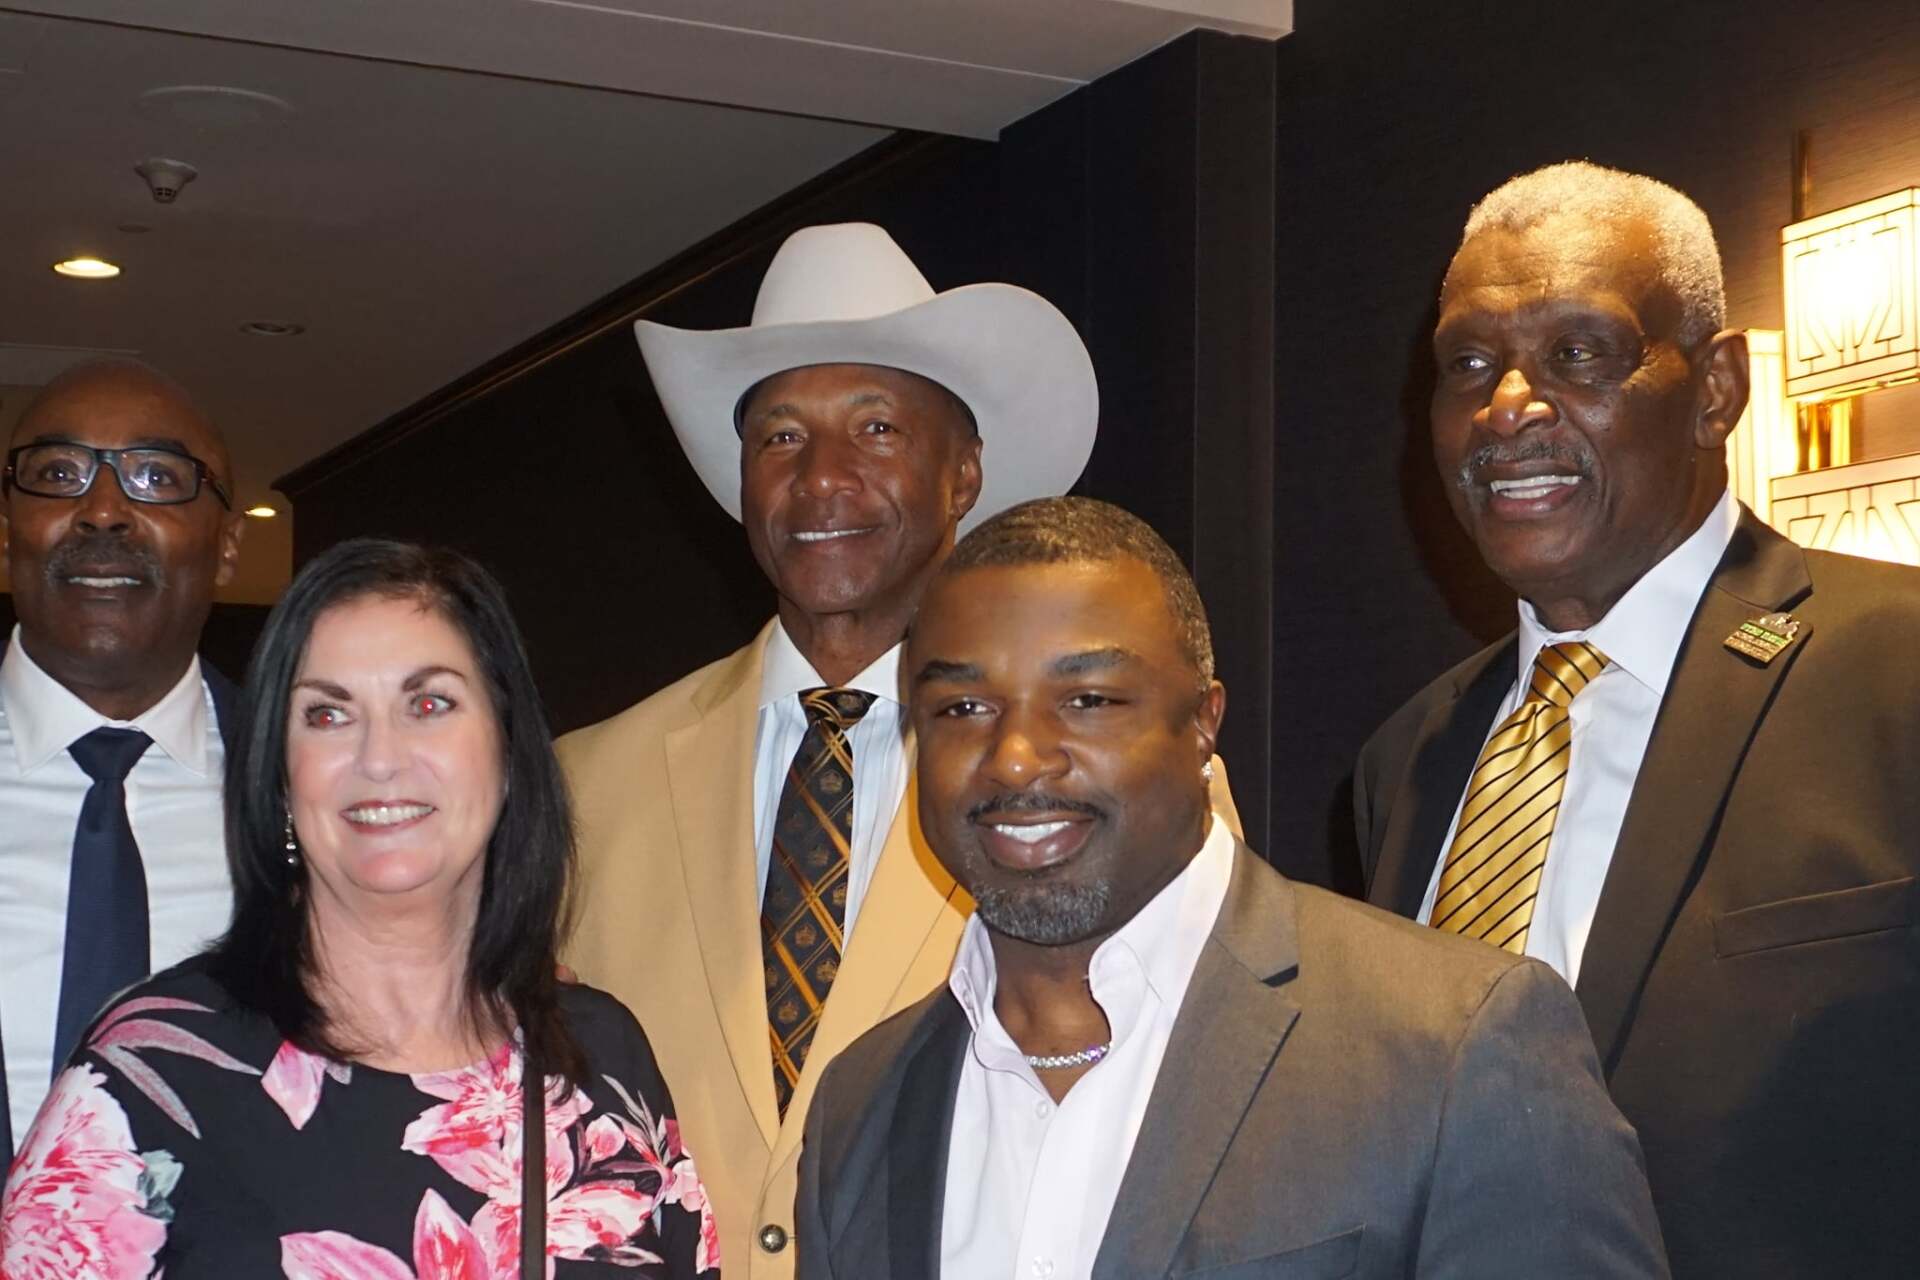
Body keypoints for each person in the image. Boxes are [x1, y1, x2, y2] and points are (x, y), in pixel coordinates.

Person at [558, 222, 1209, 1278]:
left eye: (874, 429)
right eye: (780, 437)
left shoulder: (1099, 780)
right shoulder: (581, 785)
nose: (822, 478)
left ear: (964, 474)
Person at [797, 496, 1666, 1280]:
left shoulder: (1454, 1044)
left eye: (1089, 700)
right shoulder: (858, 1105)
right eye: (963, 709)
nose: (1018, 755)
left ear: (1204, 723)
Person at [1355, 161, 1920, 1277]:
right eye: (1468, 364)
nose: (1507, 408)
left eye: (1578, 354)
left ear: (1716, 387)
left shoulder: (1896, 671)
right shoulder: (1407, 755)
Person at [1, 539, 717, 1278]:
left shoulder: (601, 1055)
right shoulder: (150, 1074)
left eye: (430, 704)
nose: (380, 757)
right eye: (327, 715)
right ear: (279, 776)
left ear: (507, 754)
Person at [0, 360, 245, 1167]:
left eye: (156, 476)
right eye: (58, 473)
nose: (103, 511)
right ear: (6, 533)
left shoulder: (322, 793)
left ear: (228, 545)